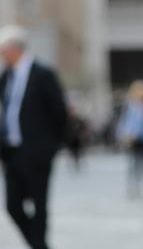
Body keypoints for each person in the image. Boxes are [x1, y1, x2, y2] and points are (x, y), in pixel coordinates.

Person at [0, 25, 67, 249]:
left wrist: (52, 146)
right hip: (12, 151)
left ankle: (39, 244)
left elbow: (59, 111)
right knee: (12, 206)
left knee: (39, 204)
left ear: (14, 49)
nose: (2, 55)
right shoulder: (6, 77)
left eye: (3, 50)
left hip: (37, 151)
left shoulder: (43, 74)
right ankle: (38, 245)